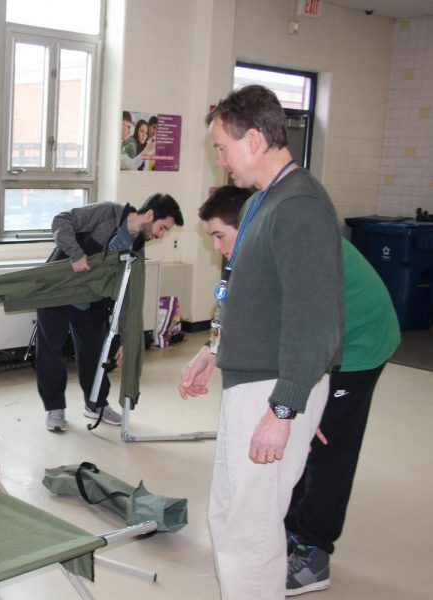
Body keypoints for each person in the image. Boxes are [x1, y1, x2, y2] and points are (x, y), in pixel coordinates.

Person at [178, 85, 343, 600]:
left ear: (253, 139)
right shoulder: (260, 204)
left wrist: (288, 406)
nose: (220, 160)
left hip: (270, 390)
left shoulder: (301, 207)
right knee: (230, 516)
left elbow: (315, 319)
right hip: (249, 381)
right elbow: (251, 295)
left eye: (222, 147)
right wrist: (214, 349)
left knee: (249, 530)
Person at [195, 185, 401, 596]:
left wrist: (301, 399)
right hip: (323, 340)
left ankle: (314, 551)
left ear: (246, 227)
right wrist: (209, 347)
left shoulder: (290, 245)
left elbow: (314, 331)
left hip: (358, 344)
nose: (217, 247)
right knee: (298, 439)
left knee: (324, 444)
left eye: (220, 235)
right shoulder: (246, 249)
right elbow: (227, 299)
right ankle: (288, 533)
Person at [39, 194, 183, 432]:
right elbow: (61, 220)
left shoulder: (136, 246)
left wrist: (127, 339)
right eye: (162, 227)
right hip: (57, 289)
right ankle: (54, 409)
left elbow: (128, 293)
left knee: (95, 352)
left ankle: (96, 403)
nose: (161, 235)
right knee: (50, 350)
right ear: (149, 215)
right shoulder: (107, 213)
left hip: (90, 300)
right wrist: (75, 253)